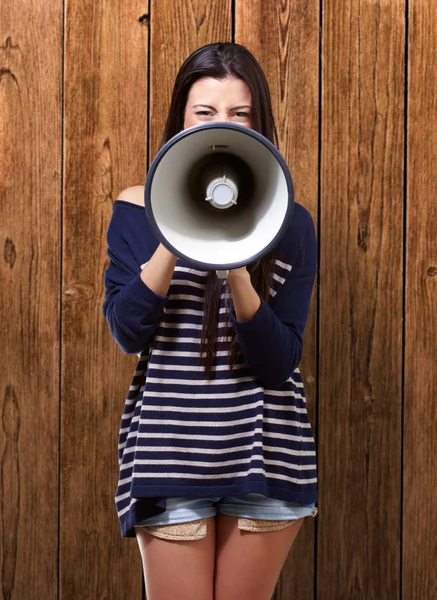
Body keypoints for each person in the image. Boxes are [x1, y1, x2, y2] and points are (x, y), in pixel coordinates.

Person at [103, 42, 318, 600]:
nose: (223, 126)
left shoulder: (289, 222)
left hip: (264, 454)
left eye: (240, 114)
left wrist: (239, 271)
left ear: (260, 123)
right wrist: (175, 228)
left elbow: (278, 363)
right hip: (170, 454)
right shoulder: (133, 209)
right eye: (205, 113)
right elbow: (128, 331)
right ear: (180, 121)